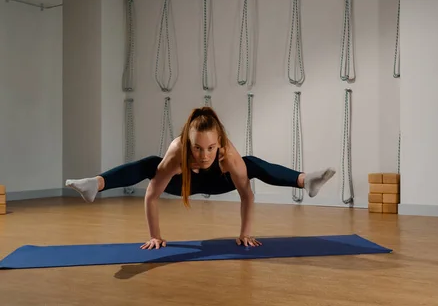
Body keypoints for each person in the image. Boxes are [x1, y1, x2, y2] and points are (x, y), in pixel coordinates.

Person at [65, 106, 336, 250]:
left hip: (219, 183)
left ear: (218, 143)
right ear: (187, 143)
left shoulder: (228, 155)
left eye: (210, 148)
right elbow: (152, 195)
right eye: (197, 147)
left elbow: (246, 195)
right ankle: (95, 184)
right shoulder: (175, 153)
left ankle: (305, 180)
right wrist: (155, 236)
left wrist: (245, 234)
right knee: (150, 163)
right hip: (181, 183)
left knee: (250, 163)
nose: (204, 155)